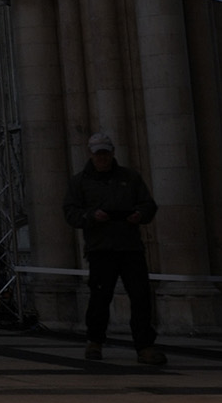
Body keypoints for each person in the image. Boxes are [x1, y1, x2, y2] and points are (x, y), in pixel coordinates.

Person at [64, 133, 165, 364]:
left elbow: (148, 204)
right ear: (91, 154)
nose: (102, 157)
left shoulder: (130, 178)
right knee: (100, 297)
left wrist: (140, 214)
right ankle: (95, 341)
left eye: (105, 153)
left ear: (112, 153)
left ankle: (144, 346)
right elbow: (70, 212)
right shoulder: (80, 182)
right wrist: (91, 216)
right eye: (98, 153)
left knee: (140, 296)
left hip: (129, 247)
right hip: (101, 248)